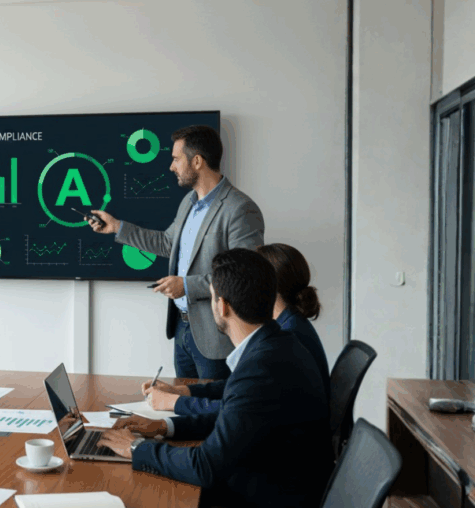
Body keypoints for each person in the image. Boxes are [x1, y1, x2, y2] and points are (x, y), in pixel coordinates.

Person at [98, 249, 331, 507]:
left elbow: (205, 467)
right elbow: (234, 418)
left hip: (265, 495)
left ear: (222, 305)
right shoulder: (275, 345)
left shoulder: (261, 366)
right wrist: (165, 427)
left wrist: (136, 449)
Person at [89, 125, 264, 381]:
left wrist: (187, 286)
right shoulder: (188, 203)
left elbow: (245, 274)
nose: (171, 167)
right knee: (186, 408)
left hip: (216, 336)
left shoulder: (240, 209)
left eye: (175, 159)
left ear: (197, 161)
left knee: (211, 414)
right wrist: (117, 227)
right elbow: (167, 243)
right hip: (182, 329)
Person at [144, 243, 331, 414]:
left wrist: (175, 402)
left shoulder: (286, 337)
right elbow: (243, 388)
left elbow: (236, 408)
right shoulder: (288, 324)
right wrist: (184, 391)